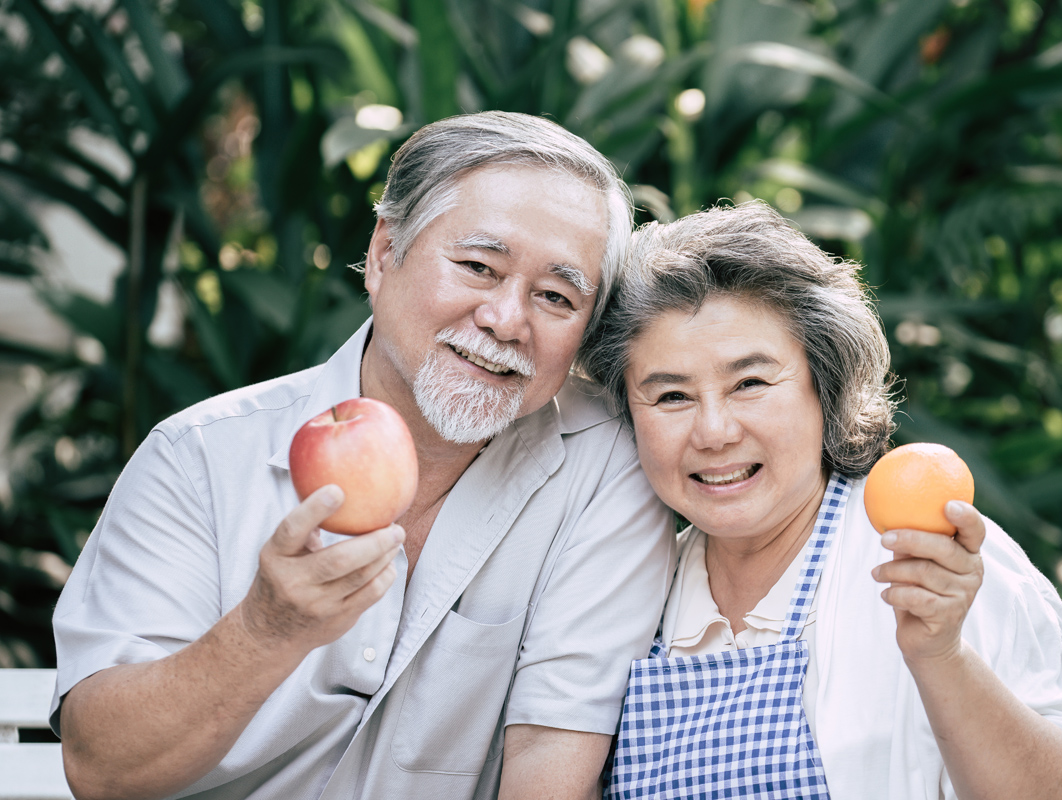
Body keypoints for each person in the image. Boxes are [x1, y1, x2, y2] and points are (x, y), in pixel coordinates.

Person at [50, 111, 676, 800]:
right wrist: (266, 630)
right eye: (476, 266)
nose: (505, 319)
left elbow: (549, 764)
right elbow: (102, 769)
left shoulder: (607, 466)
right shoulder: (198, 456)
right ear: (384, 254)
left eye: (556, 296)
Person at [580, 202, 1062, 799]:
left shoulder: (930, 560)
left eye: (750, 383)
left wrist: (941, 655)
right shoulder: (630, 592)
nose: (715, 432)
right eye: (672, 396)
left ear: (823, 387)